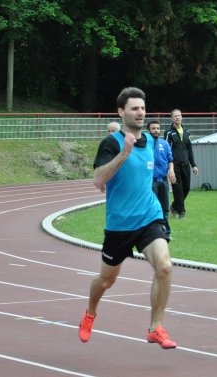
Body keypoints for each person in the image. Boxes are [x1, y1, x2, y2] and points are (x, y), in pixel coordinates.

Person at [78, 87, 177, 349]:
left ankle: (155, 328)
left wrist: (170, 173)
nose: (140, 112)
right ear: (121, 112)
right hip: (120, 225)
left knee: (164, 267)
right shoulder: (111, 143)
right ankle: (90, 313)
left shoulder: (152, 141)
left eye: (143, 108)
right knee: (106, 281)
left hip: (149, 217)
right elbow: (98, 179)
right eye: (135, 108)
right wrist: (124, 154)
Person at [165, 109, 198, 219]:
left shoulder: (187, 132)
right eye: (175, 116)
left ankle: (174, 207)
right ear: (172, 118)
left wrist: (193, 165)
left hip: (186, 165)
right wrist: (169, 167)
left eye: (179, 115)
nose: (177, 117)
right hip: (175, 166)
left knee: (186, 188)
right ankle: (181, 212)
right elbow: (167, 150)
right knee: (177, 189)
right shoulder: (169, 132)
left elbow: (189, 149)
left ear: (181, 117)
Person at [147, 120, 176, 221]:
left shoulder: (165, 143)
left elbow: (170, 160)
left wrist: (171, 170)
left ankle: (165, 229)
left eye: (158, 128)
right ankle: (153, 228)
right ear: (148, 130)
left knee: (165, 207)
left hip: (164, 180)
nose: (156, 130)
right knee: (153, 208)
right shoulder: (145, 144)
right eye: (153, 128)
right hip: (151, 180)